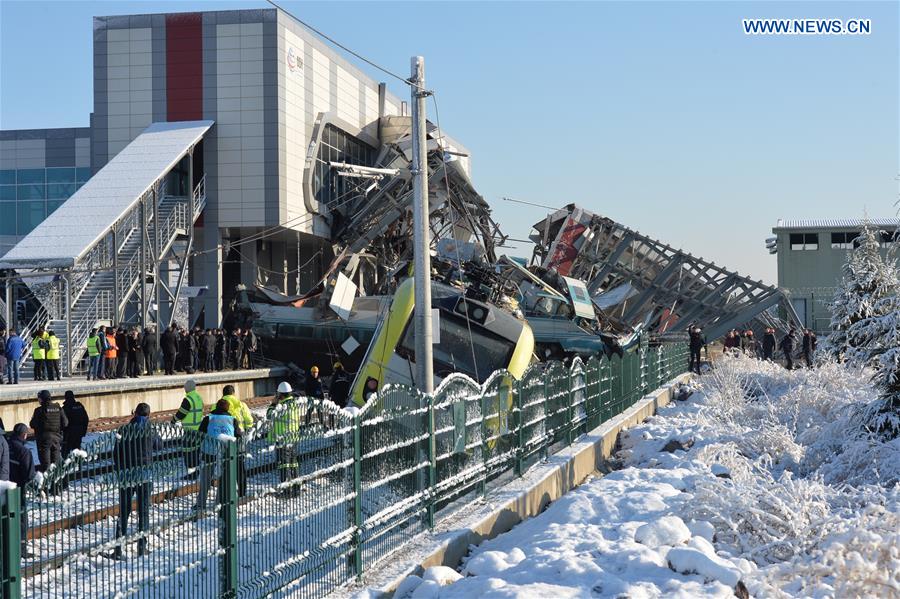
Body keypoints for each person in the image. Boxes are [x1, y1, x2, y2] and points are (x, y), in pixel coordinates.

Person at [112, 403, 160, 559]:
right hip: (145, 474)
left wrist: (121, 469)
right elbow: (159, 446)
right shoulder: (150, 430)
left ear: (134, 414)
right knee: (143, 511)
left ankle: (118, 549)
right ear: (149, 415)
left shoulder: (124, 429)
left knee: (124, 511)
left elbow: (116, 453)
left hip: (127, 474)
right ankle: (142, 547)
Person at [194, 399, 242, 514]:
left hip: (208, 452)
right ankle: (218, 502)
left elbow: (200, 434)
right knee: (223, 478)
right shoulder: (232, 420)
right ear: (227, 409)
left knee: (205, 478)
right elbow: (239, 435)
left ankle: (201, 504)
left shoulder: (208, 418)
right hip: (225, 453)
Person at [7, 423, 36, 557]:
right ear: (24, 435)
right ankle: (21, 550)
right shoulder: (24, 452)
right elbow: (30, 475)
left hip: (4, 487)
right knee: (22, 520)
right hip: (18, 490)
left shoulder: (5, 445)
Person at [221, 385, 252, 496]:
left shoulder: (219, 404)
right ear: (233, 393)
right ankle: (242, 492)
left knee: (226, 464)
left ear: (223, 394)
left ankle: (227, 491)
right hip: (239, 435)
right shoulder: (241, 404)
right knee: (240, 465)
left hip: (224, 437)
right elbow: (249, 420)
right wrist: (246, 430)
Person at [267, 382, 301, 483]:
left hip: (282, 439)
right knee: (293, 463)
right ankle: (296, 488)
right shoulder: (294, 404)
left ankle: (286, 490)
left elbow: (269, 415)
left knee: (284, 465)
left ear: (280, 394)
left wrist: (273, 404)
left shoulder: (282, 407)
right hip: (293, 438)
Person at [30, 390, 68, 475]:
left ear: (42, 399)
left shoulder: (39, 410)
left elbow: (32, 424)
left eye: (39, 398)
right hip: (56, 439)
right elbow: (65, 423)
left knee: (46, 464)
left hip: (44, 440)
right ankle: (56, 484)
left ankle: (47, 485)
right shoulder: (58, 408)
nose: (38, 400)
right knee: (56, 463)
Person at [172, 380, 205, 474]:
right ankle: (196, 471)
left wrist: (174, 420)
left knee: (188, 452)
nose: (184, 389)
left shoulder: (188, 399)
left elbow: (181, 413)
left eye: (185, 387)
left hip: (189, 430)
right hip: (198, 428)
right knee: (196, 451)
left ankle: (191, 473)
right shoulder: (198, 397)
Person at [62, 391, 89, 458]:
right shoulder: (79, 406)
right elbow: (86, 419)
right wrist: (84, 431)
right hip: (79, 432)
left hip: (69, 433)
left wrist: (64, 432)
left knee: (66, 451)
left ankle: (66, 466)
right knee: (77, 450)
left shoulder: (65, 408)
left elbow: (63, 422)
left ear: (65, 398)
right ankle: (78, 465)